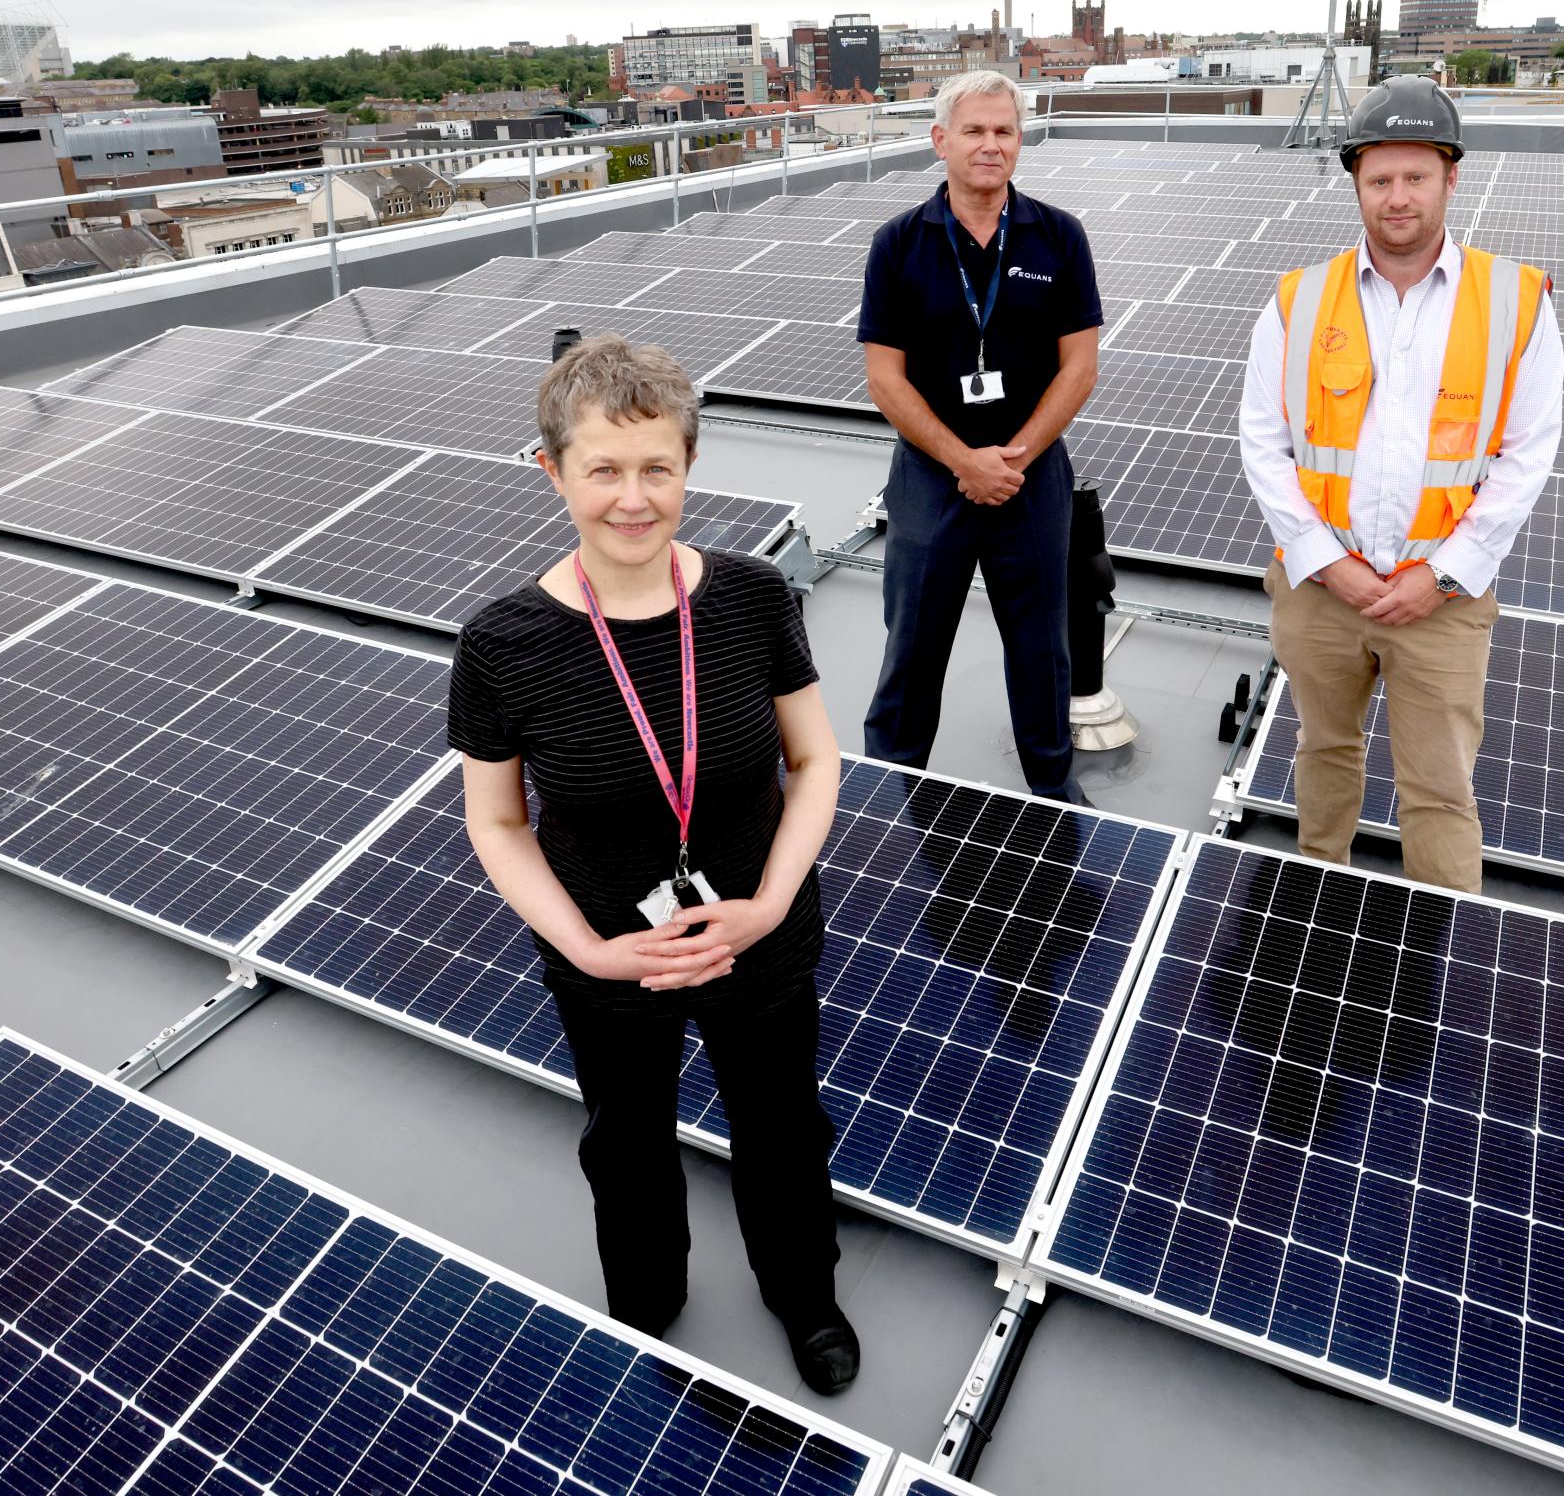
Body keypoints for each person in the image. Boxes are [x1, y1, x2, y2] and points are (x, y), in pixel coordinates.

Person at [447, 335, 860, 1393]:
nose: (632, 499)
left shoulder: (754, 598)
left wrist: (767, 906)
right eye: (602, 469)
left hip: (759, 942)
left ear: (687, 467)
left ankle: (803, 1293)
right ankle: (645, 1299)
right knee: (625, 1144)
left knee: (780, 1128)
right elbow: (496, 824)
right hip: (609, 962)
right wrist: (589, 948)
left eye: (656, 468)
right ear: (552, 471)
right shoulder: (503, 644)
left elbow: (814, 762)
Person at [1237, 77, 1564, 891]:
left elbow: (1528, 454)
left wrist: (1445, 573)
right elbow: (1262, 443)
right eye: (1379, 178)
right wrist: (1326, 561)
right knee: (1322, 753)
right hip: (1322, 591)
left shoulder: (1516, 301)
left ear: (1452, 178)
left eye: (1417, 176)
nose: (1398, 197)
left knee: (1440, 789)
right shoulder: (1296, 301)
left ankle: (1439, 957)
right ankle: (1322, 902)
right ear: (1355, 183)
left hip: (1442, 601)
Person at [859, 68, 1103, 804]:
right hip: (932, 479)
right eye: (974, 130)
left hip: (1031, 480)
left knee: (1041, 649)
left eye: (1004, 131)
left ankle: (1053, 784)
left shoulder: (1058, 237)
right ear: (940, 141)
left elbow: (1080, 366)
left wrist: (1013, 457)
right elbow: (885, 379)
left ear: (1020, 142)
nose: (990, 145)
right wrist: (965, 460)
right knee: (913, 646)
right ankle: (890, 784)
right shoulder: (899, 245)